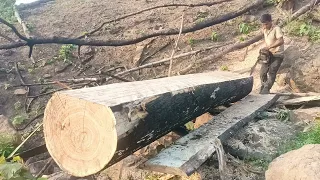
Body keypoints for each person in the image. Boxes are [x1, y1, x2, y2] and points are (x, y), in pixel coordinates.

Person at [259, 14, 284, 94]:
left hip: (277, 54)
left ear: (270, 22)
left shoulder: (277, 29)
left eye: (266, 24)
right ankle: (263, 87)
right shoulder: (264, 29)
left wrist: (269, 47)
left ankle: (266, 89)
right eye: (263, 24)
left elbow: (281, 41)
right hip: (268, 54)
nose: (265, 25)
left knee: (272, 72)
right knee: (262, 72)